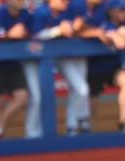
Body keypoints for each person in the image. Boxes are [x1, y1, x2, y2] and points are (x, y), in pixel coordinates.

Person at [78, 0, 125, 131]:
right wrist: (100, 32)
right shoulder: (99, 14)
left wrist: (123, 32)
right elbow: (82, 29)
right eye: (120, 10)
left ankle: (124, 123)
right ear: (112, 10)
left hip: (112, 66)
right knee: (92, 102)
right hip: (93, 67)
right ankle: (84, 128)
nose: (124, 13)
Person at [32, 0, 91, 136]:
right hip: (56, 57)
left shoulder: (72, 7)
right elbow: (35, 36)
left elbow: (81, 25)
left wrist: (77, 26)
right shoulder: (41, 12)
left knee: (77, 90)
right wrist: (57, 30)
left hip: (75, 52)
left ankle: (72, 127)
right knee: (82, 89)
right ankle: (71, 125)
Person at [0, 0, 31, 140]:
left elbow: (32, 33)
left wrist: (24, 34)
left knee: (22, 97)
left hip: (13, 60)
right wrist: (9, 35)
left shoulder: (25, 13)